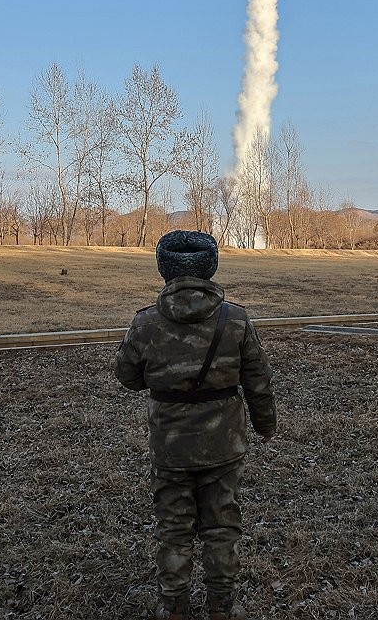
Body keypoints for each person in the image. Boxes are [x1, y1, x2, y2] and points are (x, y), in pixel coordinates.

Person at [116, 230, 277, 620]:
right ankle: (222, 607)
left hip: (170, 447)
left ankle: (174, 608)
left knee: (174, 529)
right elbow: (258, 381)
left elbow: (126, 376)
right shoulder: (236, 320)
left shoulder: (146, 323)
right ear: (211, 266)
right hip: (224, 444)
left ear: (163, 269)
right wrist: (265, 425)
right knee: (222, 526)